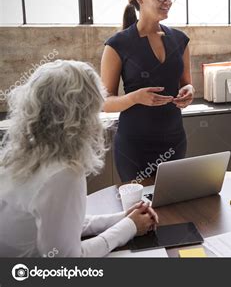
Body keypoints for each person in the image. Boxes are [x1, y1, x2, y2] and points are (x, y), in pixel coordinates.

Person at [0, 60, 159, 257]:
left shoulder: (19, 156)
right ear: (81, 117)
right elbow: (68, 261)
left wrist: (123, 218)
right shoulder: (63, 174)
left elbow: (62, 223)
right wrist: (129, 227)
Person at [101, 0, 194, 182]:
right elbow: (105, 103)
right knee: (141, 209)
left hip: (174, 140)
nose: (167, 0)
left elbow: (187, 84)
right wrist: (135, 97)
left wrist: (188, 91)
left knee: (174, 207)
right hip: (134, 145)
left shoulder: (180, 40)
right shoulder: (117, 45)